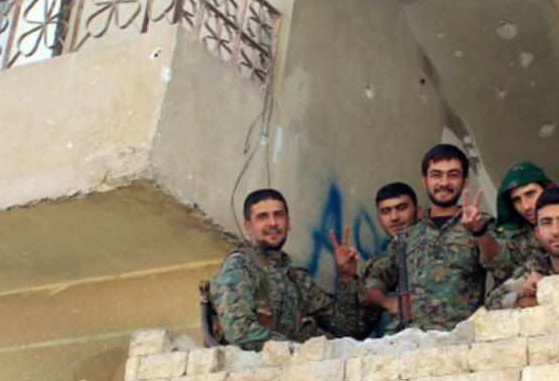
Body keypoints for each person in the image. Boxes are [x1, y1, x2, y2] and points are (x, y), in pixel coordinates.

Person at [362, 144, 497, 331]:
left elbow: (503, 268)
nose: (444, 182)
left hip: (459, 339)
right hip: (409, 340)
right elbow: (373, 278)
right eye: (436, 175)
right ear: (424, 181)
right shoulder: (409, 234)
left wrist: (478, 232)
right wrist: (389, 303)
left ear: (465, 182)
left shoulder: (482, 224)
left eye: (453, 175)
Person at [211, 188, 362, 350]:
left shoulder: (296, 277)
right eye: (262, 217)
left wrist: (346, 277)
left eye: (278, 215)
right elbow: (239, 331)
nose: (273, 223)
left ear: (288, 222)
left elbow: (345, 329)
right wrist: (297, 350)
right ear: (248, 227)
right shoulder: (240, 266)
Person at [353, 182, 420, 337]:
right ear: (379, 218)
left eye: (401, 208)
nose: (394, 217)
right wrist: (390, 303)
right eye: (386, 211)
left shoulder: (430, 240)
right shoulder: (391, 253)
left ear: (418, 211)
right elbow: (372, 284)